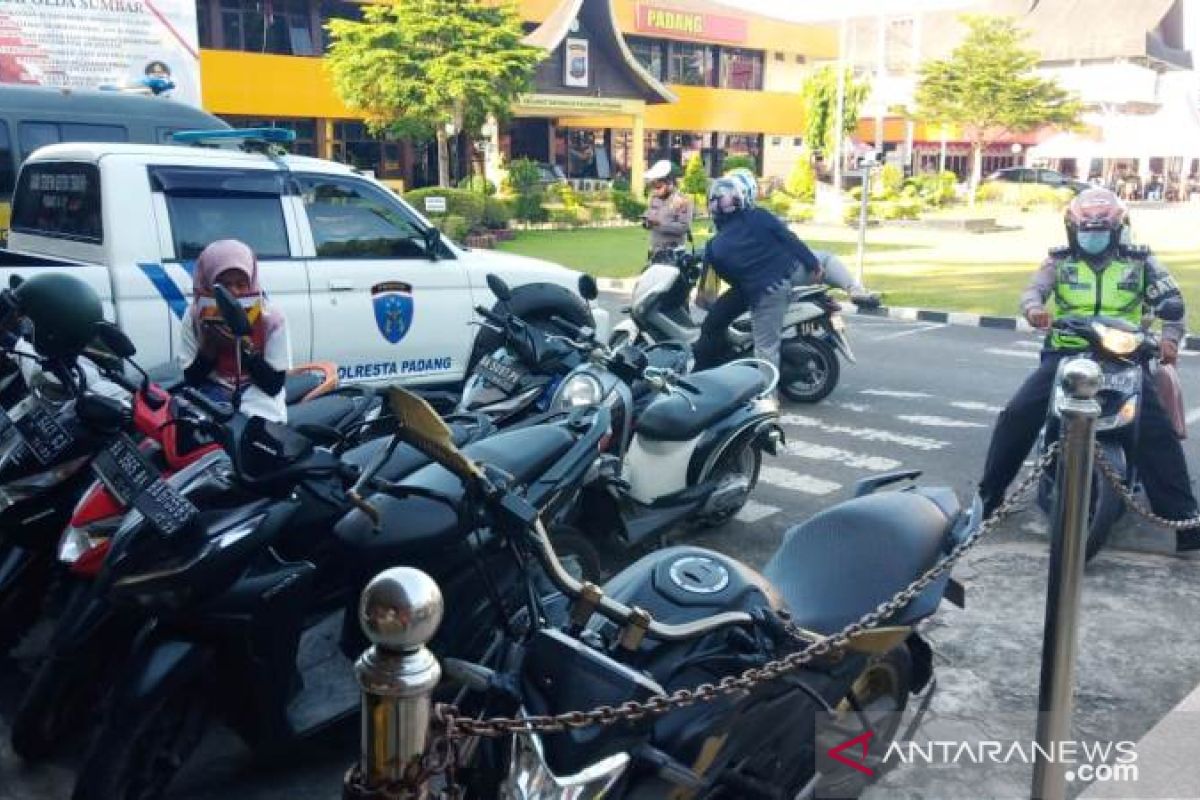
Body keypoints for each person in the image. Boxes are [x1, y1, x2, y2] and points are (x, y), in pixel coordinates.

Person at [977, 187, 1200, 553]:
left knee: (1155, 430)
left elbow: (1172, 303)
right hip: (1066, 353)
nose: (1092, 235)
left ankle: (1183, 516)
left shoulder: (1141, 262)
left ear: (1118, 230)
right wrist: (1034, 311)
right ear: (1072, 229)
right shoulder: (1059, 261)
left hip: (1124, 355)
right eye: (1085, 229)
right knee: (1018, 414)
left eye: (1100, 229)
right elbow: (1033, 292)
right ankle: (989, 496)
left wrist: (1170, 337)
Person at [697, 176, 820, 376]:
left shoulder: (716, 246)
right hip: (781, 278)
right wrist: (812, 262)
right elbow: (789, 239)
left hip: (754, 290)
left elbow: (728, 279)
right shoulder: (759, 216)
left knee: (713, 323)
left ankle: (703, 372)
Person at [178, 239, 291, 422]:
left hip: (259, 400)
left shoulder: (272, 318)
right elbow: (191, 379)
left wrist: (243, 347)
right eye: (223, 285)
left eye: (241, 284)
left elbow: (273, 385)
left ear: (251, 282)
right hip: (212, 397)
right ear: (207, 283)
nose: (234, 293)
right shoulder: (193, 316)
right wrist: (209, 348)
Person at [642, 159, 693, 261]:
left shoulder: (682, 201)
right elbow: (649, 218)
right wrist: (646, 222)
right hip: (655, 252)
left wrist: (660, 224)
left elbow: (683, 227)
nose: (654, 189)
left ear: (670, 183)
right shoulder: (655, 199)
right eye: (653, 185)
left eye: (658, 185)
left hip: (673, 255)